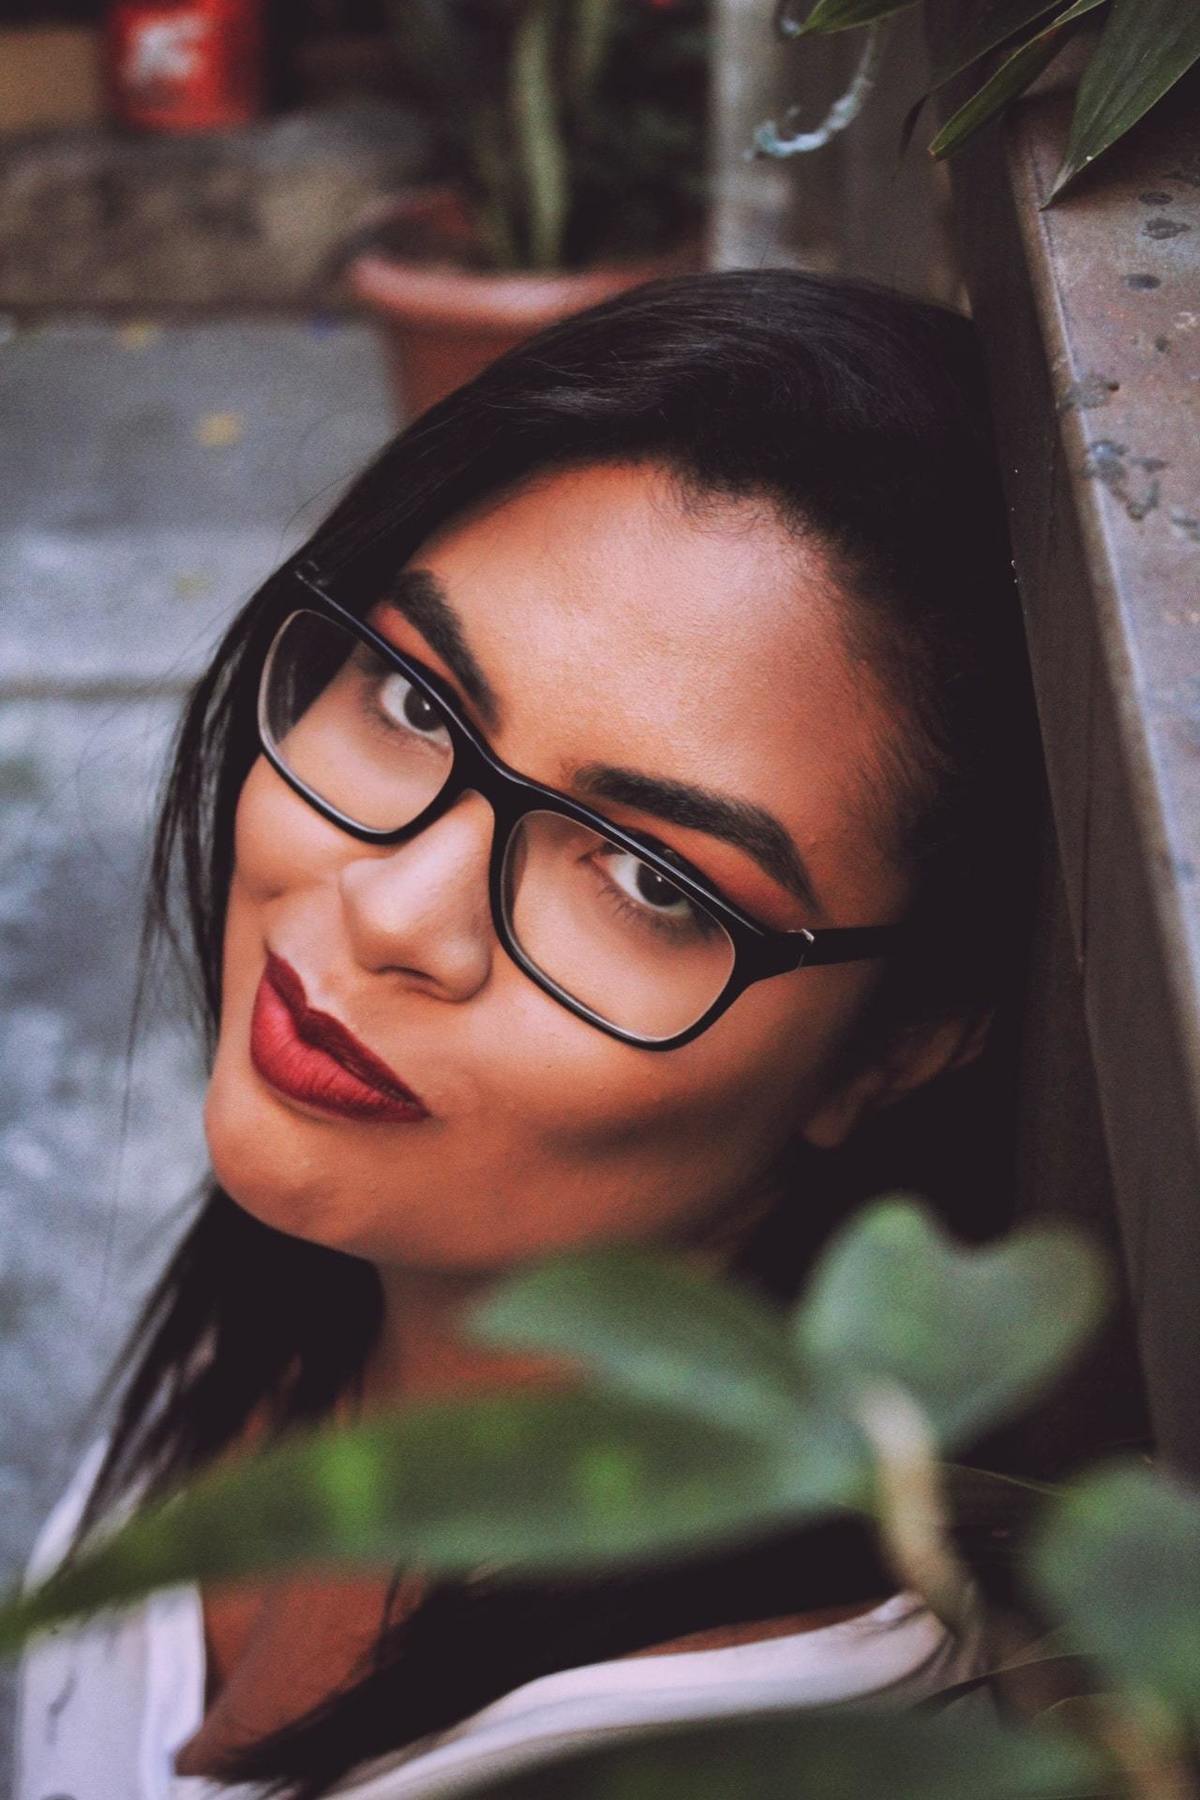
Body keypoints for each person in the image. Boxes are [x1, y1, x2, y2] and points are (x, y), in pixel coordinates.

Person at [15, 268, 1040, 1800]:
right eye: (414, 703)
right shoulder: (332, 1277)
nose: (393, 913)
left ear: (903, 1043)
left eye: (649, 880)